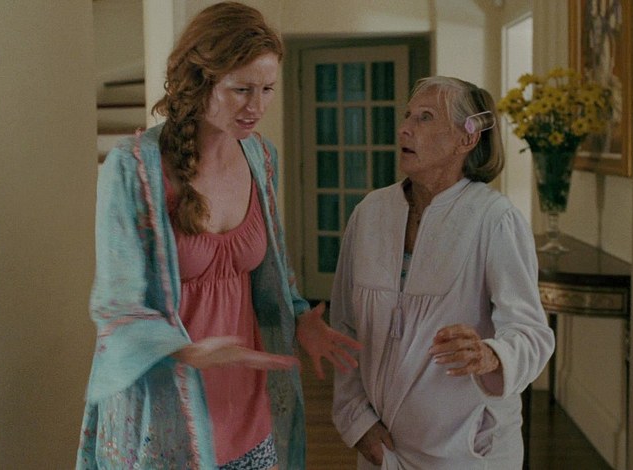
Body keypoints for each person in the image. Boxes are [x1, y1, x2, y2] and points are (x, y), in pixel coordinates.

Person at [76, 3, 361, 469]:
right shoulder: (133, 168)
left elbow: (273, 275)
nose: (257, 106)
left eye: (267, 89)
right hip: (166, 420)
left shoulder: (261, 157)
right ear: (199, 82)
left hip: (248, 410)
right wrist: (185, 349)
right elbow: (116, 306)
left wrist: (299, 318)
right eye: (241, 89)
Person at [330, 76, 555, 469]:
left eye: (425, 117)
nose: (405, 128)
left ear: (466, 138)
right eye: (407, 115)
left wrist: (491, 355)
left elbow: (532, 333)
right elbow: (345, 327)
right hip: (383, 450)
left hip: (468, 452)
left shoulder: (495, 219)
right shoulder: (369, 213)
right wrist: (357, 421)